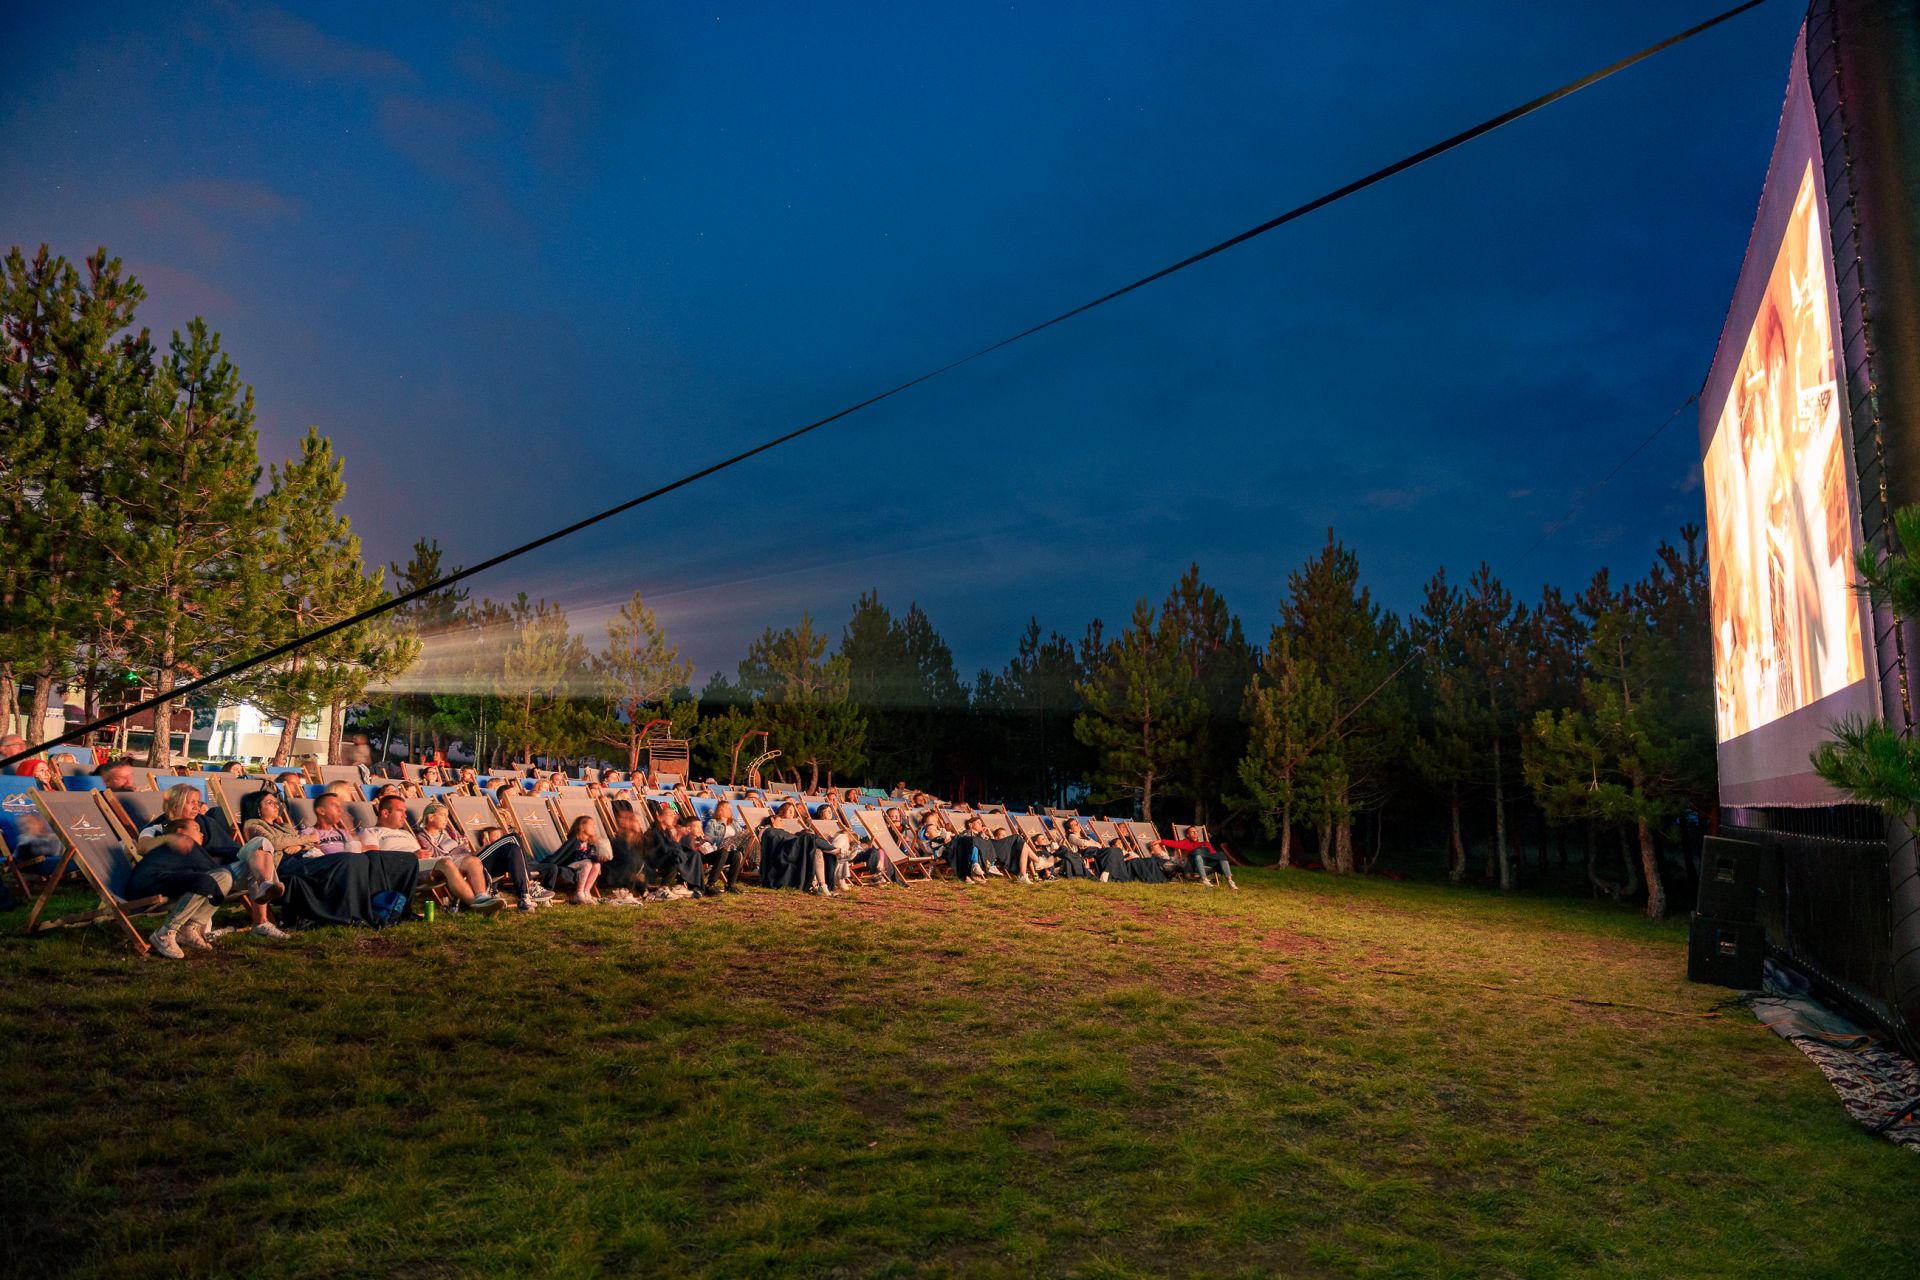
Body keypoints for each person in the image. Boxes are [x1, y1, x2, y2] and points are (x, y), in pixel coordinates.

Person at [127, 817, 278, 958]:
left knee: (223, 878)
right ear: (180, 831)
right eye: (196, 828)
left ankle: (189, 928)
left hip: (165, 880)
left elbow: (211, 869)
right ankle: (165, 933)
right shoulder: (181, 841)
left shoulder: (184, 847)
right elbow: (208, 867)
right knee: (208, 880)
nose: (202, 833)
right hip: (147, 885)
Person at [412, 801, 506, 915]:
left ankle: (482, 898)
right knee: (471, 862)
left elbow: (466, 851)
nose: (447, 819)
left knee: (476, 860)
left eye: (447, 815)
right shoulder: (422, 837)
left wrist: (483, 848)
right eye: (443, 815)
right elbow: (436, 855)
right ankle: (479, 902)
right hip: (444, 866)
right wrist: (458, 850)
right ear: (431, 817)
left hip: (464, 860)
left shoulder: (452, 833)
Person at [547, 814, 607, 903]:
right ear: (582, 827)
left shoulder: (589, 842)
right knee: (588, 863)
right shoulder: (574, 840)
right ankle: (578, 893)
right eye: (591, 824)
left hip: (581, 866)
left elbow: (592, 856)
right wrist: (545, 865)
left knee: (596, 864)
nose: (594, 826)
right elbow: (560, 855)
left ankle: (586, 892)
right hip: (568, 866)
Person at [602, 803, 651, 900]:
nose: (640, 824)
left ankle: (630, 889)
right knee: (632, 860)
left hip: (628, 873)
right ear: (628, 823)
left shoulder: (639, 841)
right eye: (637, 821)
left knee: (638, 861)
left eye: (640, 822)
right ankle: (623, 889)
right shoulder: (617, 841)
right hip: (612, 872)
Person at [701, 800, 749, 893]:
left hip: (731, 848)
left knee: (736, 854)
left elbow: (740, 835)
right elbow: (709, 838)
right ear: (720, 810)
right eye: (728, 808)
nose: (731, 809)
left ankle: (730, 885)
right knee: (724, 851)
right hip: (717, 851)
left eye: (731, 808)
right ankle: (710, 884)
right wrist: (725, 838)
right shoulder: (713, 822)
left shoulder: (734, 822)